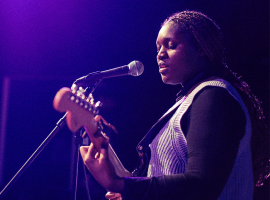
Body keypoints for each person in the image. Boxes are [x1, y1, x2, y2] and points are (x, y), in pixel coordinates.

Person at [79, 10, 269, 200]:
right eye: (158, 48)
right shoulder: (190, 100)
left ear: (202, 48)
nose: (160, 55)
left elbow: (202, 185)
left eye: (171, 45)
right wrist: (126, 187)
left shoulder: (213, 96)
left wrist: (119, 184)